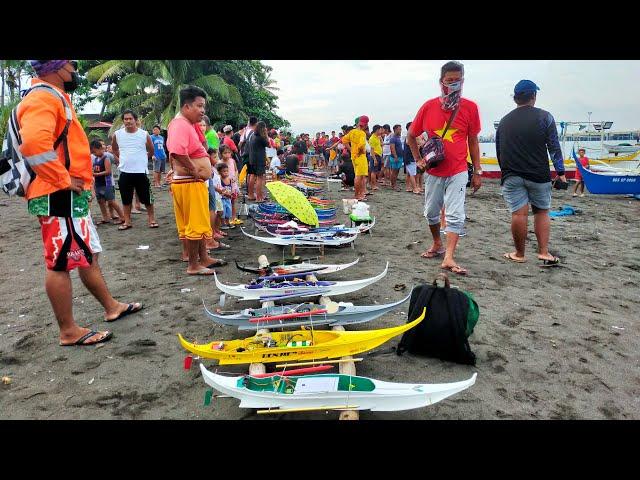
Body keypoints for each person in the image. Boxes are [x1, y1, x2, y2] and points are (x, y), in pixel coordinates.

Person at [21, 60, 142, 346]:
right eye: (72, 64)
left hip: (67, 193)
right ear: (56, 67)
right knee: (60, 262)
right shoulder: (42, 97)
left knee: (87, 253)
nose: (76, 69)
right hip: (56, 194)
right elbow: (33, 145)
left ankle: (111, 306)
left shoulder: (55, 96)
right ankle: (68, 331)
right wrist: (63, 179)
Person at [406, 61, 482, 276]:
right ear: (441, 82)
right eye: (450, 81)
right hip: (434, 171)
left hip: (458, 170)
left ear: (463, 81)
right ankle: (437, 243)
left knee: (455, 214)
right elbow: (411, 135)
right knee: (431, 212)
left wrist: (477, 171)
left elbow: (473, 141)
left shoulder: (470, 107)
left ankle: (449, 255)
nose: (454, 85)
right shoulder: (429, 106)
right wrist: (418, 159)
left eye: (458, 81)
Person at [496, 79, 565, 266]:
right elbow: (554, 146)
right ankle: (543, 252)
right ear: (533, 96)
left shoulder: (504, 121)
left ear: (516, 98)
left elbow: (499, 151)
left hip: (512, 175)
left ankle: (519, 253)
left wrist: (505, 172)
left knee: (518, 214)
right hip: (538, 174)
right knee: (541, 212)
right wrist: (560, 171)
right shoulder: (545, 117)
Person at [166, 85, 227, 275]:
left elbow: (202, 144)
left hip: (193, 182)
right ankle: (193, 265)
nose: (203, 111)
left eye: (204, 107)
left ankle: (204, 257)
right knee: (194, 225)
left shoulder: (188, 124)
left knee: (199, 223)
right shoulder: (180, 124)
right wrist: (194, 169)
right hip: (189, 183)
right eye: (199, 106)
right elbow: (176, 151)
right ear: (186, 107)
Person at [111, 109, 158, 229]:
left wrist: (143, 158)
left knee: (147, 197)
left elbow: (151, 150)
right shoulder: (118, 134)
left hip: (141, 171)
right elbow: (114, 149)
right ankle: (127, 221)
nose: (128, 121)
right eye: (125, 119)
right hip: (125, 171)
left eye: (130, 119)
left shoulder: (144, 134)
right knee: (126, 198)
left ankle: (151, 220)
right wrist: (120, 159)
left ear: (135, 120)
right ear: (123, 121)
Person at [91, 139, 125, 224]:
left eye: (95, 151)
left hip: (107, 183)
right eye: (93, 152)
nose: (94, 154)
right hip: (98, 184)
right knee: (101, 201)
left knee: (111, 201)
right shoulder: (95, 159)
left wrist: (95, 174)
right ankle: (105, 217)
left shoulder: (105, 158)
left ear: (100, 149)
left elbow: (108, 171)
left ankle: (123, 217)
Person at [341, 116, 369, 200]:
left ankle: (359, 194)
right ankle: (358, 195)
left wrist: (351, 149)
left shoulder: (352, 131)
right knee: (359, 176)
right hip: (360, 156)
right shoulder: (362, 133)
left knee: (358, 176)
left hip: (354, 156)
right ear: (365, 124)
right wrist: (359, 152)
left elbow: (344, 140)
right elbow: (361, 146)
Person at [219, 144, 242, 225]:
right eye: (225, 153)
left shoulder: (232, 161)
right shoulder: (219, 163)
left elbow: (236, 170)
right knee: (224, 202)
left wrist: (235, 177)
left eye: (229, 152)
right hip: (224, 186)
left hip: (233, 185)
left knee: (233, 201)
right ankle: (225, 219)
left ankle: (234, 217)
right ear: (221, 154)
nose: (227, 155)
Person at [249, 121, 269, 202]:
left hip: (252, 159)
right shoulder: (261, 137)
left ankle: (251, 195)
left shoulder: (253, 135)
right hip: (259, 160)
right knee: (260, 178)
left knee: (252, 176)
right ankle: (259, 197)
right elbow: (268, 144)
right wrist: (266, 134)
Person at [403, 122, 420, 194]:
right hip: (409, 157)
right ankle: (415, 188)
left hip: (410, 157)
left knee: (409, 173)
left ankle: (408, 187)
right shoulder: (409, 135)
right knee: (413, 173)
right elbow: (408, 142)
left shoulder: (411, 135)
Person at [217, 162, 233, 229]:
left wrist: (232, 193)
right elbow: (220, 190)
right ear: (219, 172)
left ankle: (228, 222)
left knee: (229, 211)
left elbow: (231, 187)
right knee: (223, 211)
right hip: (222, 199)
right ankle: (223, 223)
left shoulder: (229, 179)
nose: (226, 172)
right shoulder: (219, 180)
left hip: (228, 199)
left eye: (227, 171)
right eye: (224, 171)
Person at [388, 124, 404, 191]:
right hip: (395, 157)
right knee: (394, 172)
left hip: (400, 157)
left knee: (397, 172)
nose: (400, 130)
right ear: (395, 130)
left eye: (400, 129)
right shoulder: (393, 138)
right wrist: (395, 156)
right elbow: (392, 148)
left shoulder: (398, 138)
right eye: (399, 129)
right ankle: (393, 186)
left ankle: (394, 185)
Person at [368, 124, 383, 190]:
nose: (381, 131)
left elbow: (381, 144)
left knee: (376, 171)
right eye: (380, 129)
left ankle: (374, 184)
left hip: (378, 155)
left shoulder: (377, 137)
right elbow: (372, 150)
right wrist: (374, 159)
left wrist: (381, 138)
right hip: (374, 156)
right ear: (377, 130)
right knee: (373, 171)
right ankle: (373, 185)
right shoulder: (372, 138)